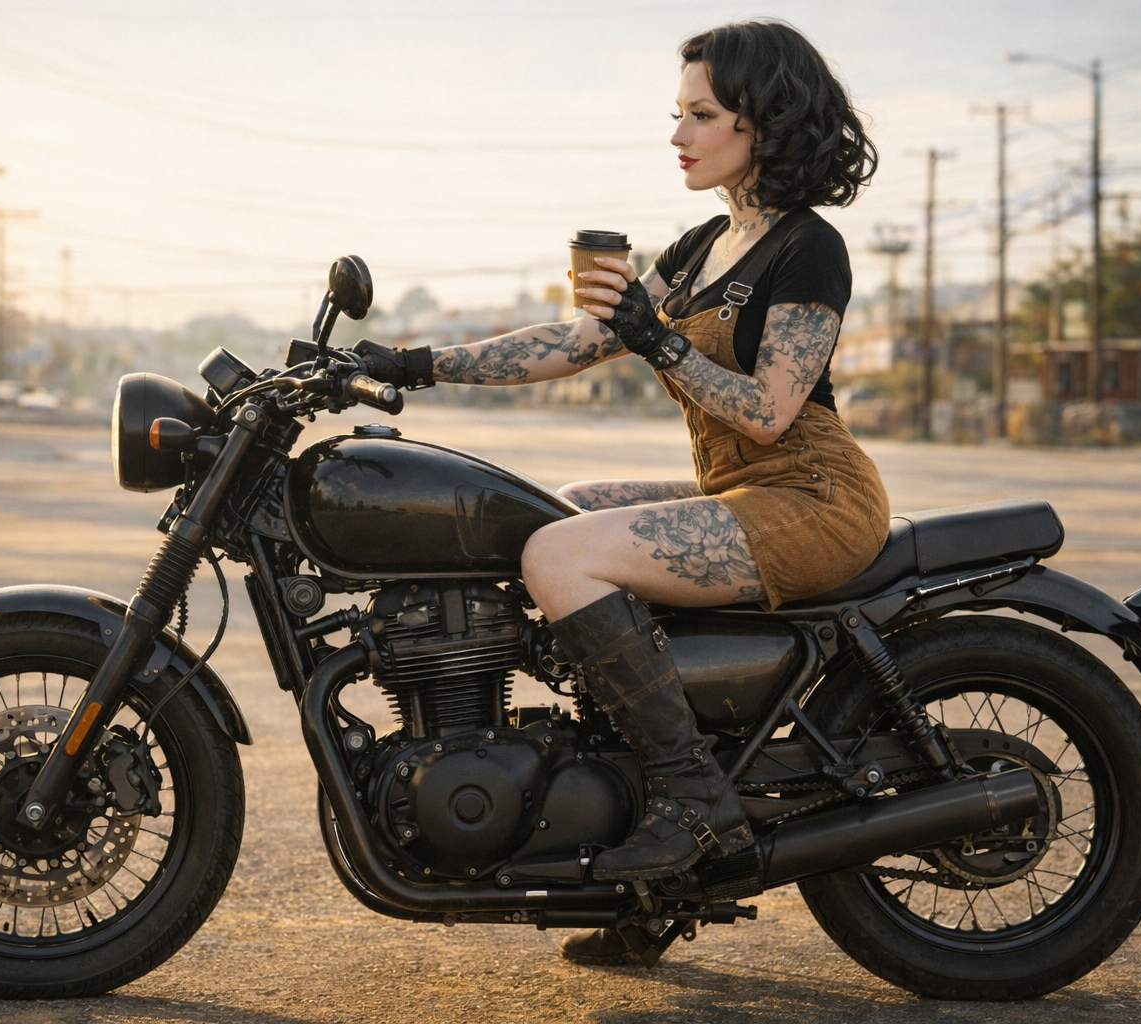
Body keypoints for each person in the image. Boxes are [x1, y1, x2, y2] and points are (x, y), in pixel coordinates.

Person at [355, 19, 888, 962]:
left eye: (702, 114)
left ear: (763, 122)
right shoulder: (702, 244)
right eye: (677, 114)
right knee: (563, 510)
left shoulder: (809, 248)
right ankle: (635, 819)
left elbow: (769, 413)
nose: (678, 134)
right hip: (742, 488)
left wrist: (658, 337)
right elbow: (573, 344)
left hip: (812, 497)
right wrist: (410, 361)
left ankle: (695, 800)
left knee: (560, 557)